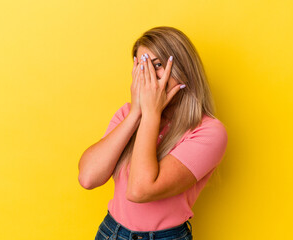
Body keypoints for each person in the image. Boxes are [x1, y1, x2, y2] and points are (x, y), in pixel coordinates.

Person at [78, 26, 228, 240]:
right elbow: (87, 177)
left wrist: (150, 113)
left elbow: (140, 190)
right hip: (111, 232)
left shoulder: (209, 132)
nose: (149, 76)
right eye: (142, 66)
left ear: (182, 67)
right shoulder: (128, 114)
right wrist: (136, 113)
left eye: (157, 65)